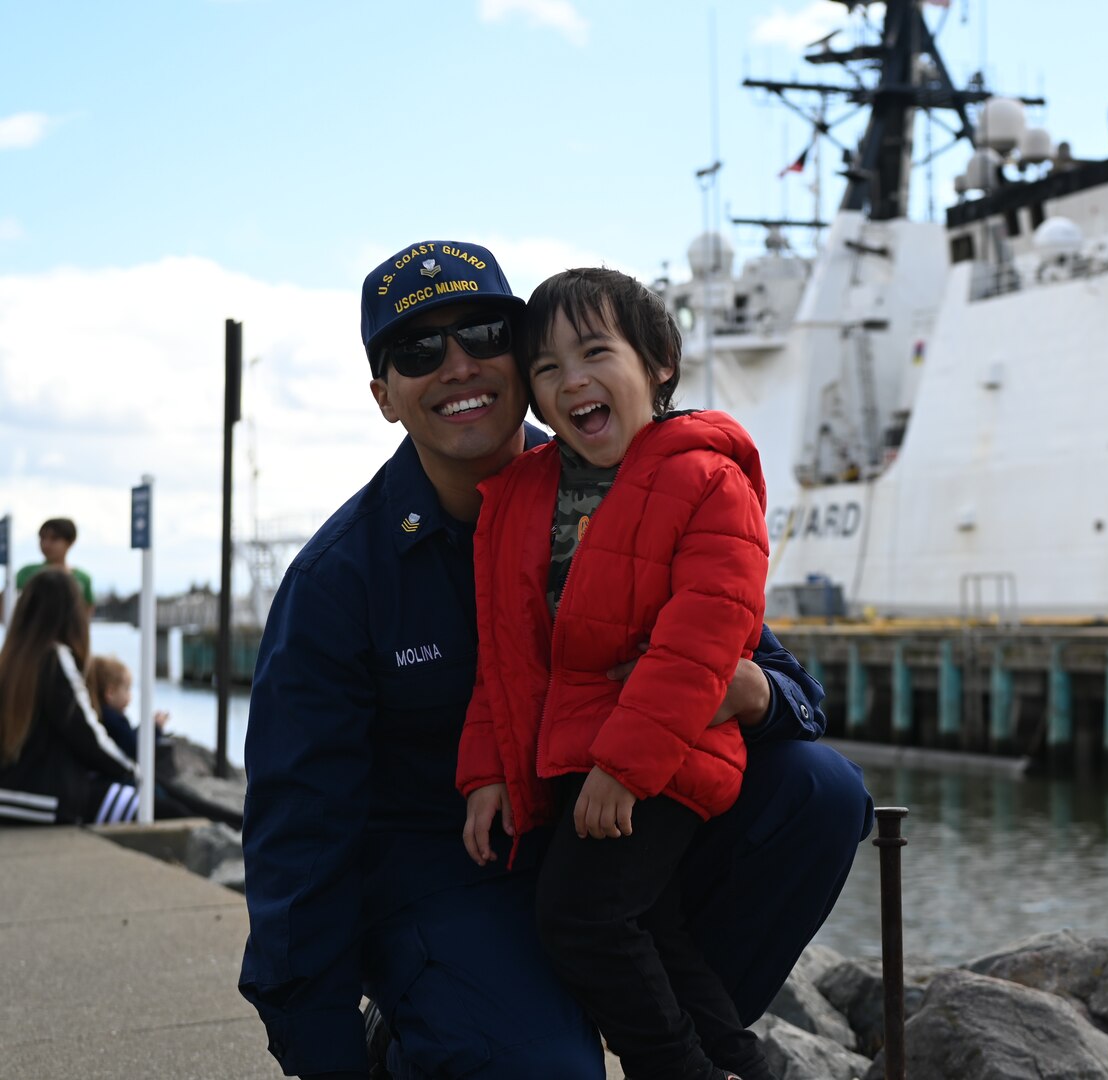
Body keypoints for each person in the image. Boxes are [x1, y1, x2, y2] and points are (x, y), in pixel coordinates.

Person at [238, 240, 872, 1080]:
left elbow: (779, 679)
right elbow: (297, 840)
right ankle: (441, 1033)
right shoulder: (340, 582)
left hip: (609, 833)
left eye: (484, 337)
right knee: (543, 1069)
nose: (458, 366)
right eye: (419, 351)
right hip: (453, 871)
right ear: (384, 395)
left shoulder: (631, 486)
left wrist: (754, 694)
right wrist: (320, 1056)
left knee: (820, 793)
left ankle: (660, 1033)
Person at [458, 268, 773, 1080]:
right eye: (547, 369)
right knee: (652, 931)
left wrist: (624, 770)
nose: (572, 381)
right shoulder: (520, 494)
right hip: (575, 760)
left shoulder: (707, 480)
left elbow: (700, 643)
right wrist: (487, 769)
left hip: (662, 759)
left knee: (579, 920)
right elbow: (505, 649)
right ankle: (753, 1069)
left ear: (660, 361)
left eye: (595, 352)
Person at [0, 570, 139, 825]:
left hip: (8, 796)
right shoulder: (54, 658)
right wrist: (132, 770)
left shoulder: (9, 660)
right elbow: (86, 734)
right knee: (153, 802)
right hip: (45, 801)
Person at [86, 655, 169, 761]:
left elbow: (128, 736)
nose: (130, 696)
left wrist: (148, 726)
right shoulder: (114, 720)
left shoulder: (96, 715)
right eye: (127, 689)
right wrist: (155, 729)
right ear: (110, 693)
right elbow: (136, 747)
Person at [15, 518, 94, 610]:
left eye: (54, 538)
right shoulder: (27, 573)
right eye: (42, 538)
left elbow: (85, 617)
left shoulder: (83, 579)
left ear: (70, 542)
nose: (46, 544)